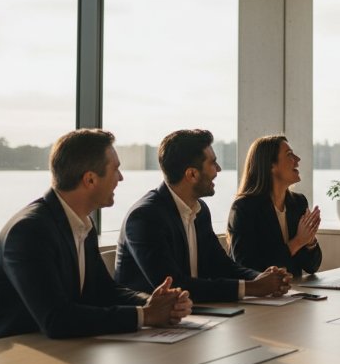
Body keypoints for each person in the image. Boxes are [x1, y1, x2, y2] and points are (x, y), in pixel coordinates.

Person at [0, 129, 191, 343]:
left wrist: (155, 303)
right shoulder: (29, 231)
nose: (120, 178)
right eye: (115, 169)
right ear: (90, 179)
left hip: (50, 350)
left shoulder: (82, 223)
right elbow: (57, 319)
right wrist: (146, 316)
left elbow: (104, 291)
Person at [115, 129, 292, 302]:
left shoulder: (200, 210)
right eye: (213, 163)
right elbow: (173, 284)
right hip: (149, 326)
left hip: (193, 315)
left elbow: (221, 265)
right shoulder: (145, 217)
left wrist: (264, 278)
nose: (219, 169)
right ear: (192, 174)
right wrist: (253, 287)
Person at [227, 135, 323, 277]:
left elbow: (312, 267)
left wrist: (310, 242)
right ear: (270, 165)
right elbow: (247, 266)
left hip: (294, 293)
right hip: (258, 298)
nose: (297, 159)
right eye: (289, 154)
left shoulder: (298, 203)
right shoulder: (244, 208)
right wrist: (297, 242)